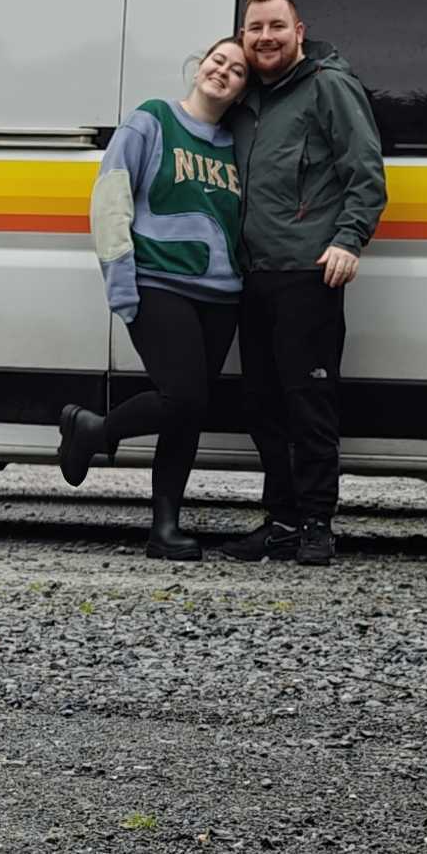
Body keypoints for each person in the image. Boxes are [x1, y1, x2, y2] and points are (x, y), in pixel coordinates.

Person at [54, 38, 251, 560]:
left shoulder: (236, 143)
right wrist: (120, 282)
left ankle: (164, 528)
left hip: (222, 296)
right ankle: (93, 429)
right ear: (198, 65)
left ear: (243, 90)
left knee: (190, 412)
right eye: (218, 61)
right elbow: (111, 196)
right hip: (159, 283)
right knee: (182, 396)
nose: (223, 72)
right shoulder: (151, 120)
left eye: (237, 71)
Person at [215, 0, 385, 567]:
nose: (265, 38)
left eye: (276, 27)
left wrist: (348, 240)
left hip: (308, 274)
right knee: (263, 407)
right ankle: (281, 521)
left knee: (308, 403)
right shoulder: (246, 101)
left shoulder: (328, 87)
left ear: (300, 31)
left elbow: (365, 172)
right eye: (255, 28)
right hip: (253, 277)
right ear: (244, 36)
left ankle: (317, 522)